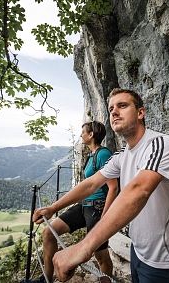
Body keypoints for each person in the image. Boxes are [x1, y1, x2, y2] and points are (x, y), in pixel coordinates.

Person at [33, 88, 169, 283]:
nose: (114, 112)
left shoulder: (161, 143)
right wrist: (53, 208)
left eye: (122, 106)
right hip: (139, 248)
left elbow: (139, 190)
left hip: (163, 257)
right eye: (110, 109)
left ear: (140, 112)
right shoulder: (122, 154)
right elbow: (91, 184)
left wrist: (84, 247)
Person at [32, 121, 118, 283]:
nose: (80, 135)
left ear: (91, 135)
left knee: (101, 257)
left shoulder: (103, 154)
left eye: (83, 132)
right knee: (48, 233)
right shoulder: (92, 155)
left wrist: (105, 218)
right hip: (84, 205)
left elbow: (113, 188)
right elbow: (87, 187)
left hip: (97, 209)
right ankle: (46, 279)